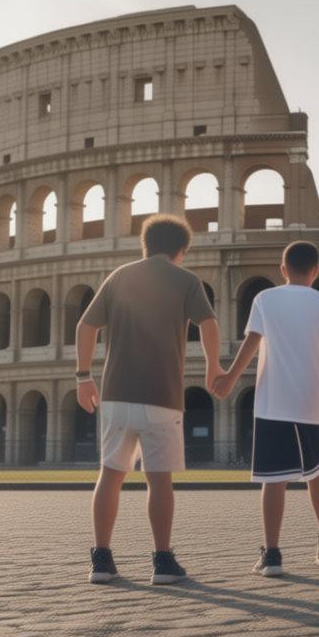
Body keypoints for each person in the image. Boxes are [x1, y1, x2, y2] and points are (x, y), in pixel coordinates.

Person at [212, 241, 319, 578]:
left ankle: (272, 554)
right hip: (311, 401)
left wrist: (229, 379)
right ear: (316, 271)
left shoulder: (264, 299)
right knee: (315, 471)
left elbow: (251, 344)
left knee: (273, 480)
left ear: (282, 269)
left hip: (272, 402)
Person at [76, 214, 221, 585]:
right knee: (160, 481)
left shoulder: (119, 276)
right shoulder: (187, 281)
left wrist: (83, 377)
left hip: (116, 394)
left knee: (110, 475)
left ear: (145, 245)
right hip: (163, 395)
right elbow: (209, 324)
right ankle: (161, 561)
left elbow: (85, 326)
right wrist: (213, 367)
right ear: (181, 250)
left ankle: (102, 560)